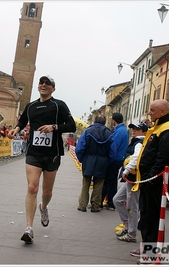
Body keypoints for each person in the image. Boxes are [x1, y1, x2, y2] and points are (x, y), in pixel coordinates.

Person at [7, 75, 76, 244]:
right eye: (41, 83)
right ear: (38, 87)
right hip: (34, 152)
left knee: (47, 192)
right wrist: (16, 129)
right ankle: (29, 228)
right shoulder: (31, 106)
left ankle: (44, 207)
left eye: (48, 84)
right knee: (32, 187)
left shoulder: (59, 105)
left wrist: (54, 127)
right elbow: (23, 121)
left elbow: (72, 125)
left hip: (52, 153)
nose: (44, 85)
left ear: (53, 88)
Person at [130, 99, 169, 260]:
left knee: (152, 217)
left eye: (152, 110)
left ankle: (151, 253)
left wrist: (150, 177)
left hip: (155, 182)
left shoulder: (168, 129)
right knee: (146, 215)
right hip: (148, 180)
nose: (149, 113)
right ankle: (147, 247)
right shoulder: (159, 127)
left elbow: (164, 157)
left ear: (163, 112)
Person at [113, 121, 148, 243]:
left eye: (137, 129)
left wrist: (127, 170)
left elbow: (136, 157)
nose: (133, 130)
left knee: (132, 206)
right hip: (131, 178)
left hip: (134, 178)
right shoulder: (135, 141)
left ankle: (131, 233)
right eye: (133, 128)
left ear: (143, 131)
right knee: (117, 199)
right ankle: (127, 225)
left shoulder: (139, 142)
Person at [75, 115, 116, 213]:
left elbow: (80, 148)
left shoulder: (87, 131)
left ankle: (82, 205)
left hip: (88, 159)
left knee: (86, 183)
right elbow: (113, 151)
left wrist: (82, 159)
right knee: (99, 184)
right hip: (103, 161)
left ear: (94, 121)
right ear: (104, 122)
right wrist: (108, 161)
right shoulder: (109, 133)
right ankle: (95, 205)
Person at [101, 113, 128, 211]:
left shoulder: (119, 131)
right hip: (119, 158)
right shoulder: (122, 130)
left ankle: (99, 201)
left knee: (107, 180)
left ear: (114, 120)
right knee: (112, 181)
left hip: (115, 159)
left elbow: (114, 145)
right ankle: (111, 202)